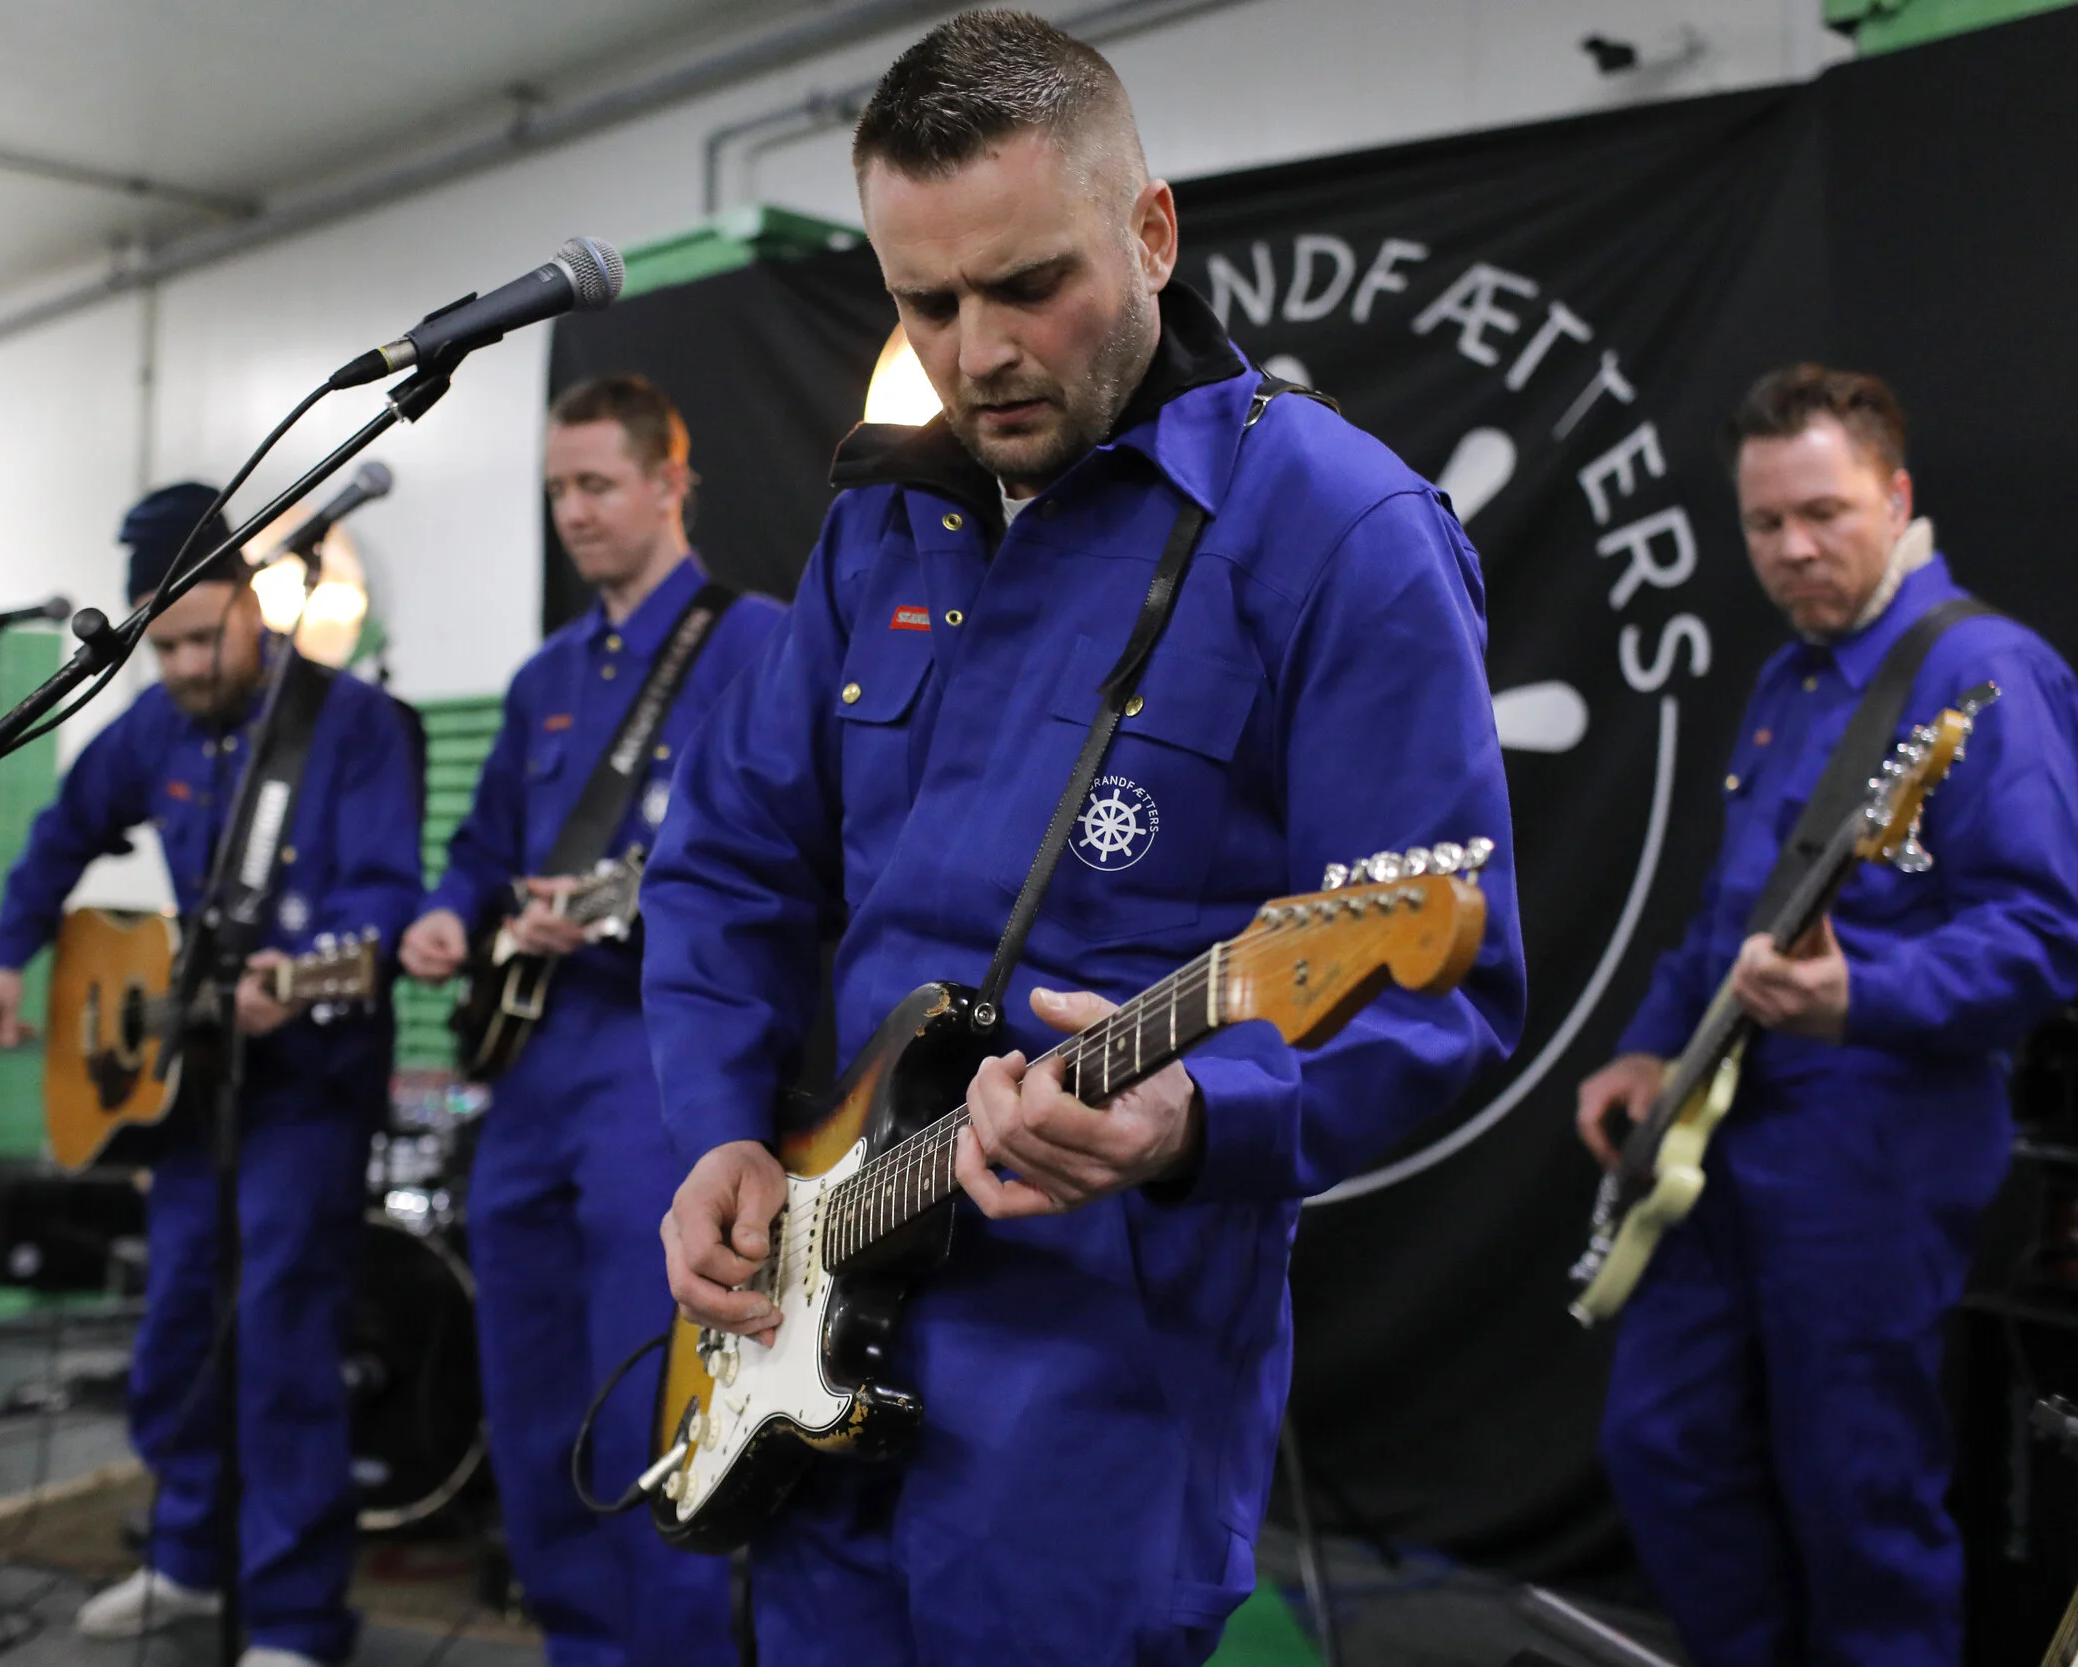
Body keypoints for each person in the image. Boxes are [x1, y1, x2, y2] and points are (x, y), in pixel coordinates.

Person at [640, 14, 1525, 1664]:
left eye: (1028, 282)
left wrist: (1202, 1115)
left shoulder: (1342, 531)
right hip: (804, 1322)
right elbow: (730, 868)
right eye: (926, 302)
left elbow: (1447, 988)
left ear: (1152, 231)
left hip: (1098, 1392)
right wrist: (711, 1127)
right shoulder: (877, 520)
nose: (978, 354)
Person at [1576, 365, 2078, 1666]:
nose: (1795, 547)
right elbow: (1722, 914)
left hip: (1877, 1142)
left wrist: (1862, 995)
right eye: (1764, 524)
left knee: (1858, 1490)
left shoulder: (1986, 676)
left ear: (1896, 495)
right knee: (1664, 1441)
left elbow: (2042, 939)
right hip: (1724, 1136)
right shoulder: (1786, 678)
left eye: (1825, 511)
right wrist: (1648, 1041)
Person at [0, 484, 425, 1667]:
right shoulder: (151, 730)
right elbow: (61, 834)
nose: (177, 664)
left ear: (255, 605)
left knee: (280, 1337)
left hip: (309, 1080)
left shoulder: (350, 722)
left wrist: (301, 969)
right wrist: (8, 953)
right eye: (157, 643)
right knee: (175, 1330)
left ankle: (290, 1616)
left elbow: (382, 899)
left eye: (198, 635)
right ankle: (184, 1557)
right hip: (188, 1087)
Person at [398, 375, 782, 1666]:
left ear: (670, 483)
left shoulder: (757, 643)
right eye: (557, 489)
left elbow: (795, 860)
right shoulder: (545, 675)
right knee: (529, 1386)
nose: (573, 512)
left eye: (597, 484)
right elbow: (478, 845)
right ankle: (576, 1640)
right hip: (529, 1066)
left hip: (660, 1066)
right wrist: (454, 915)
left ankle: (675, 1647)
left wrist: (628, 919)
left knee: (649, 1380)